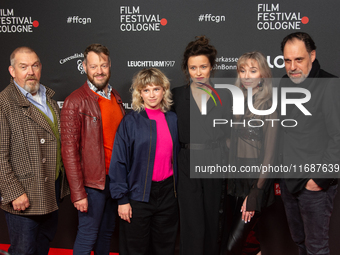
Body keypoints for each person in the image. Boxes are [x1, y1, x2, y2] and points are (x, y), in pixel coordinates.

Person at [0, 46, 69, 255]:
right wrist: (14, 192)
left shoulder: (47, 96)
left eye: (35, 65)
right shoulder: (4, 103)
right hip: (24, 195)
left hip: (50, 190)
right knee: (24, 250)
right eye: (23, 66)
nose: (31, 71)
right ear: (12, 71)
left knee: (42, 245)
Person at [279, 32, 340, 255]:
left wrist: (319, 180)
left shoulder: (330, 85)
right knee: (300, 243)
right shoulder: (284, 84)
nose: (292, 66)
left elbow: (338, 138)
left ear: (312, 55)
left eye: (299, 59)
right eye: (287, 60)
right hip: (289, 183)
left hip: (314, 187)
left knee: (316, 248)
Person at [60, 43, 125, 255]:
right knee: (88, 235)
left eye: (103, 65)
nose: (99, 71)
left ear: (109, 65)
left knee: (106, 234)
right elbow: (69, 151)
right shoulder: (75, 101)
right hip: (91, 184)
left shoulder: (115, 96)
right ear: (84, 67)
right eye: (94, 66)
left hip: (113, 181)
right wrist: (78, 193)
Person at [171, 36, 232, 255]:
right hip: (187, 162)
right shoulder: (176, 95)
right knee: (191, 222)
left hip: (215, 160)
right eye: (193, 67)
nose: (198, 72)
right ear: (186, 69)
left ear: (211, 67)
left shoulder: (224, 95)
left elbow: (230, 133)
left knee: (213, 220)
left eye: (203, 67)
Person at [109, 68, 179, 255]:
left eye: (156, 89)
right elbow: (119, 162)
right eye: (146, 90)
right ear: (139, 93)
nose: (152, 94)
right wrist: (122, 199)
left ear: (164, 90)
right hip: (138, 195)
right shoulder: (130, 122)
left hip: (167, 195)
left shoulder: (173, 119)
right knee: (136, 249)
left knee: (164, 248)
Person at [225, 52, 278, 255]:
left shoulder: (268, 106)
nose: (247, 75)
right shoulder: (238, 103)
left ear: (263, 75)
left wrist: (255, 192)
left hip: (255, 182)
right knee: (248, 243)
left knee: (232, 246)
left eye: (253, 70)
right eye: (243, 70)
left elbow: (270, 155)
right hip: (234, 181)